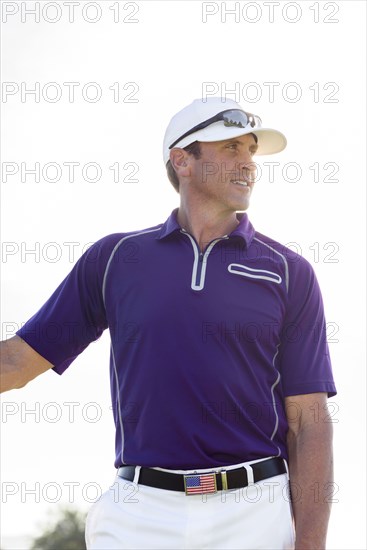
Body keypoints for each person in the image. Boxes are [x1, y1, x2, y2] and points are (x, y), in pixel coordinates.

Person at [0, 97, 336, 550]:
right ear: (182, 160)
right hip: (138, 513)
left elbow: (309, 420)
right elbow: (17, 362)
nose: (248, 163)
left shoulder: (288, 271)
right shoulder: (116, 258)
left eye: (251, 152)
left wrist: (311, 544)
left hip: (254, 512)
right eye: (231, 149)